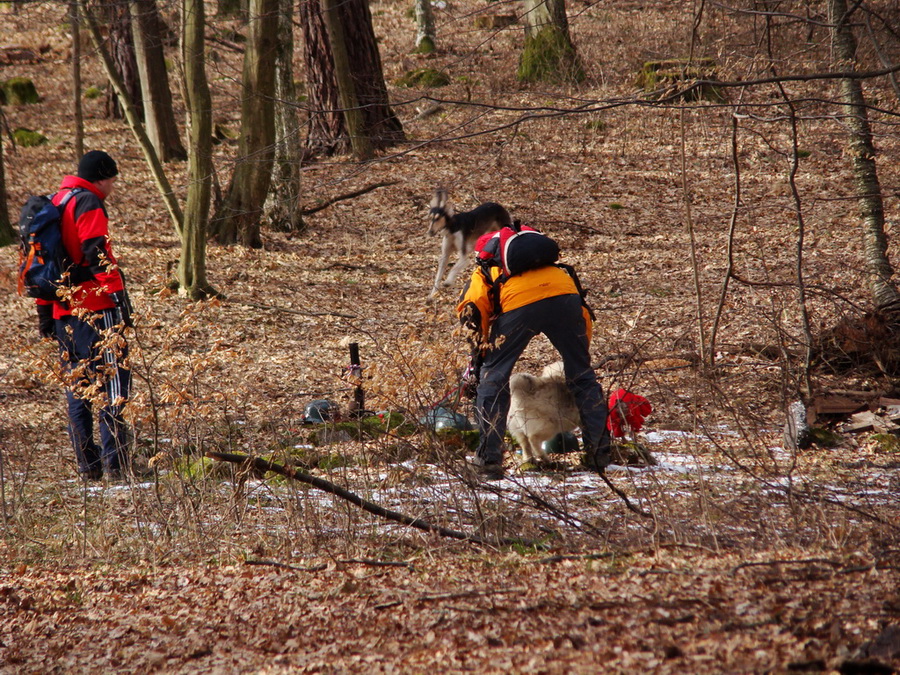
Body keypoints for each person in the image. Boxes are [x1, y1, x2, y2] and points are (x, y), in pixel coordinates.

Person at [457, 228, 610, 479]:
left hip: (520, 304)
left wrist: (479, 356)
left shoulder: (486, 268)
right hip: (565, 300)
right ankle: (599, 454)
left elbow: (473, 310)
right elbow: (582, 312)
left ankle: (489, 461)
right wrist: (582, 355)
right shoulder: (557, 270)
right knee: (583, 376)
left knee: (493, 379)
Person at [40, 150, 133, 481]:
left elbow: (41, 259)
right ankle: (116, 465)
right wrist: (117, 295)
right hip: (95, 307)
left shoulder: (57, 200)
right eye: (112, 180)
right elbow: (97, 251)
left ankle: (87, 465)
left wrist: (45, 315)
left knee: (78, 386)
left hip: (61, 309)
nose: (113, 187)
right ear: (102, 178)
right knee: (113, 380)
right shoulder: (88, 203)